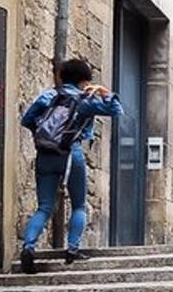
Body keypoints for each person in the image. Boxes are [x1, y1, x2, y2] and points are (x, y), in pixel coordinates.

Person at [18, 58, 122, 274]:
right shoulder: (86, 100)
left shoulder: (49, 96)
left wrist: (46, 139)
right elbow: (116, 109)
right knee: (79, 205)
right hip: (71, 154)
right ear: (84, 81)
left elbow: (27, 119)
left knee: (45, 206)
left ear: (62, 77)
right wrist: (103, 91)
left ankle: (28, 246)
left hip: (45, 154)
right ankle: (72, 249)